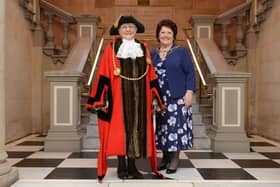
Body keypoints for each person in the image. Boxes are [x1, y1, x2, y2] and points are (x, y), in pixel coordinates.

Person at [86, 15, 165, 182]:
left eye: (131, 27)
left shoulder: (143, 48)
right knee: (120, 132)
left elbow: (151, 75)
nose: (128, 30)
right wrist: (101, 98)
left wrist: (156, 97)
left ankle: (133, 167)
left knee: (137, 130)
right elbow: (104, 73)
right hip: (118, 99)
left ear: (136, 30)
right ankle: (121, 166)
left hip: (141, 100)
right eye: (124, 27)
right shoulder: (112, 48)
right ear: (119, 31)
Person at [150, 19, 196, 174]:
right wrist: (153, 97)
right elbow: (149, 77)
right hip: (159, 98)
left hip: (177, 97)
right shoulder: (153, 54)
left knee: (175, 129)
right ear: (158, 35)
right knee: (163, 128)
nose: (166, 35)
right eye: (163, 32)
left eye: (169, 32)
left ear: (174, 35)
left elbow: (190, 72)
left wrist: (189, 92)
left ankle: (174, 159)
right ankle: (164, 158)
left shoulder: (181, 52)